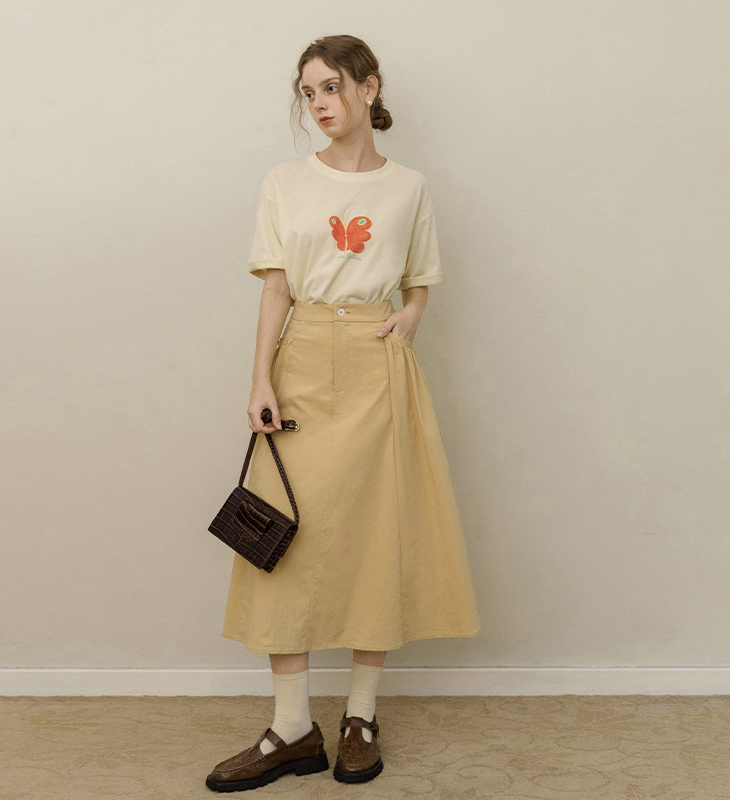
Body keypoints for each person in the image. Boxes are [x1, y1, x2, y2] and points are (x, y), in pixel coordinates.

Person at [206, 34, 481, 793]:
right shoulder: (285, 182)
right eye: (308, 93)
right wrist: (259, 379)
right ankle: (291, 726)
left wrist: (411, 315)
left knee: (373, 532)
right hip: (300, 360)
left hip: (375, 361)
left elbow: (420, 278)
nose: (319, 105)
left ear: (369, 87)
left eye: (331, 87)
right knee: (282, 534)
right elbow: (275, 288)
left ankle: (361, 716)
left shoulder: (409, 187)